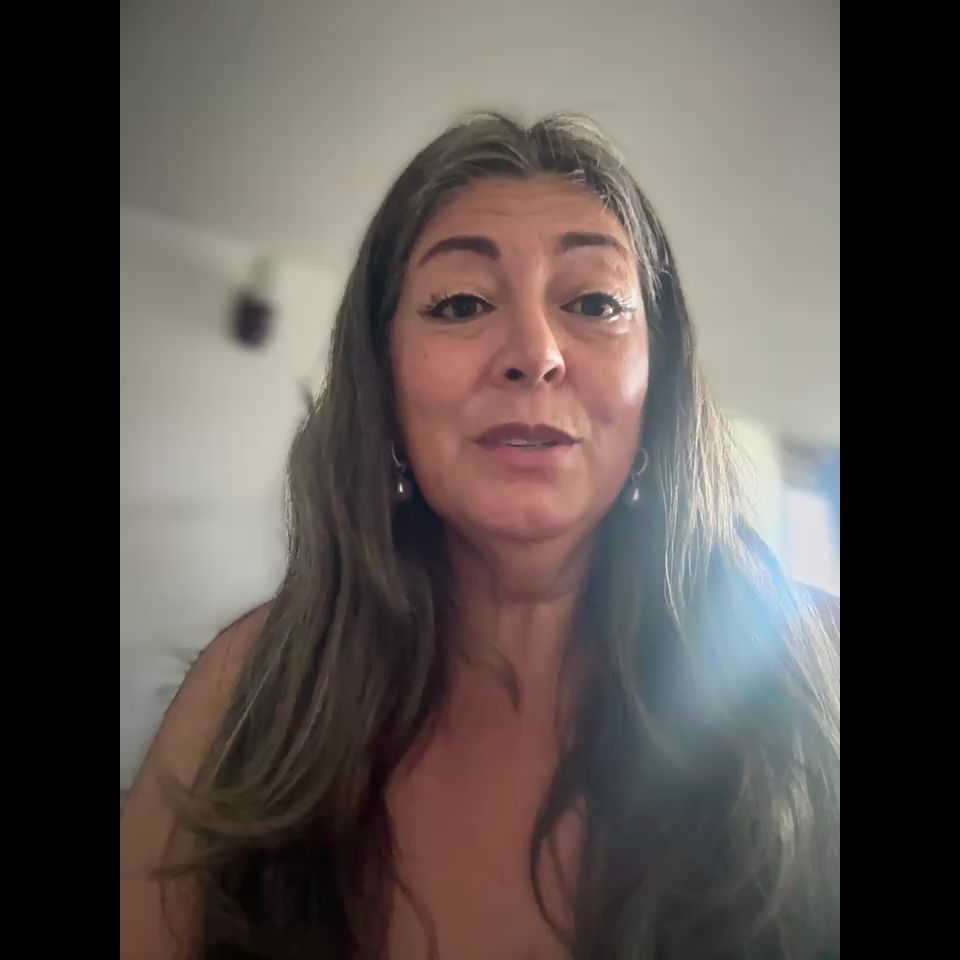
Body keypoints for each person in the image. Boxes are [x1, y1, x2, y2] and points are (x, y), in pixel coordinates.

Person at [120, 112, 840, 960]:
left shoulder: (819, 667)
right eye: (461, 303)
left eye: (595, 302)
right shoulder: (248, 689)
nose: (535, 351)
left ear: (660, 383)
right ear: (383, 382)